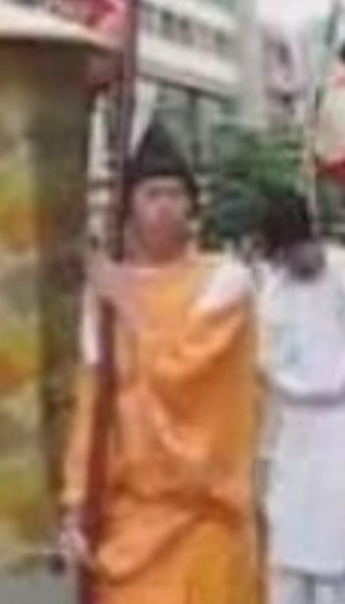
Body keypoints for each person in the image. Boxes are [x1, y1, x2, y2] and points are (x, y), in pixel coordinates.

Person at [61, 124, 260, 603]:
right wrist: (75, 504)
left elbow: (183, 377)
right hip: (130, 517)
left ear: (193, 206)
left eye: (176, 194)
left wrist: (126, 306)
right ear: (129, 208)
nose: (166, 206)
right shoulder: (104, 295)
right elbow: (94, 402)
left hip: (204, 513)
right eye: (152, 194)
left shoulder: (226, 282)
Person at [256, 188, 345, 604]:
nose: (294, 263)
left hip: (340, 425)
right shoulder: (273, 291)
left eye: (298, 252)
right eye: (284, 257)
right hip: (294, 432)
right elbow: (267, 361)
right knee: (288, 555)